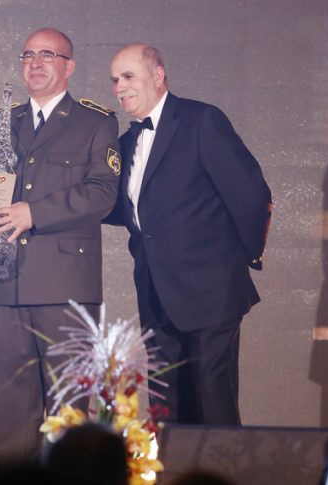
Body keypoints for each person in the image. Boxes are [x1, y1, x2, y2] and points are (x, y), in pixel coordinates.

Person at [0, 28, 120, 463]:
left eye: (48, 55)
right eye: (28, 55)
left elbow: (102, 193)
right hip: (4, 283)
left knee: (69, 415)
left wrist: (35, 212)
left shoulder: (94, 122)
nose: (36, 63)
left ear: (69, 66)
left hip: (66, 288)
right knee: (11, 413)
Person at [106, 44, 272, 425]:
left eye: (128, 76)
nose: (119, 88)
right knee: (166, 410)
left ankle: (220, 464)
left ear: (158, 76)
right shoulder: (126, 143)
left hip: (211, 293)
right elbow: (123, 210)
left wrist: (239, 263)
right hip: (155, 294)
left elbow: (251, 194)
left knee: (213, 405)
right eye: (114, 80)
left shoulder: (200, 121)